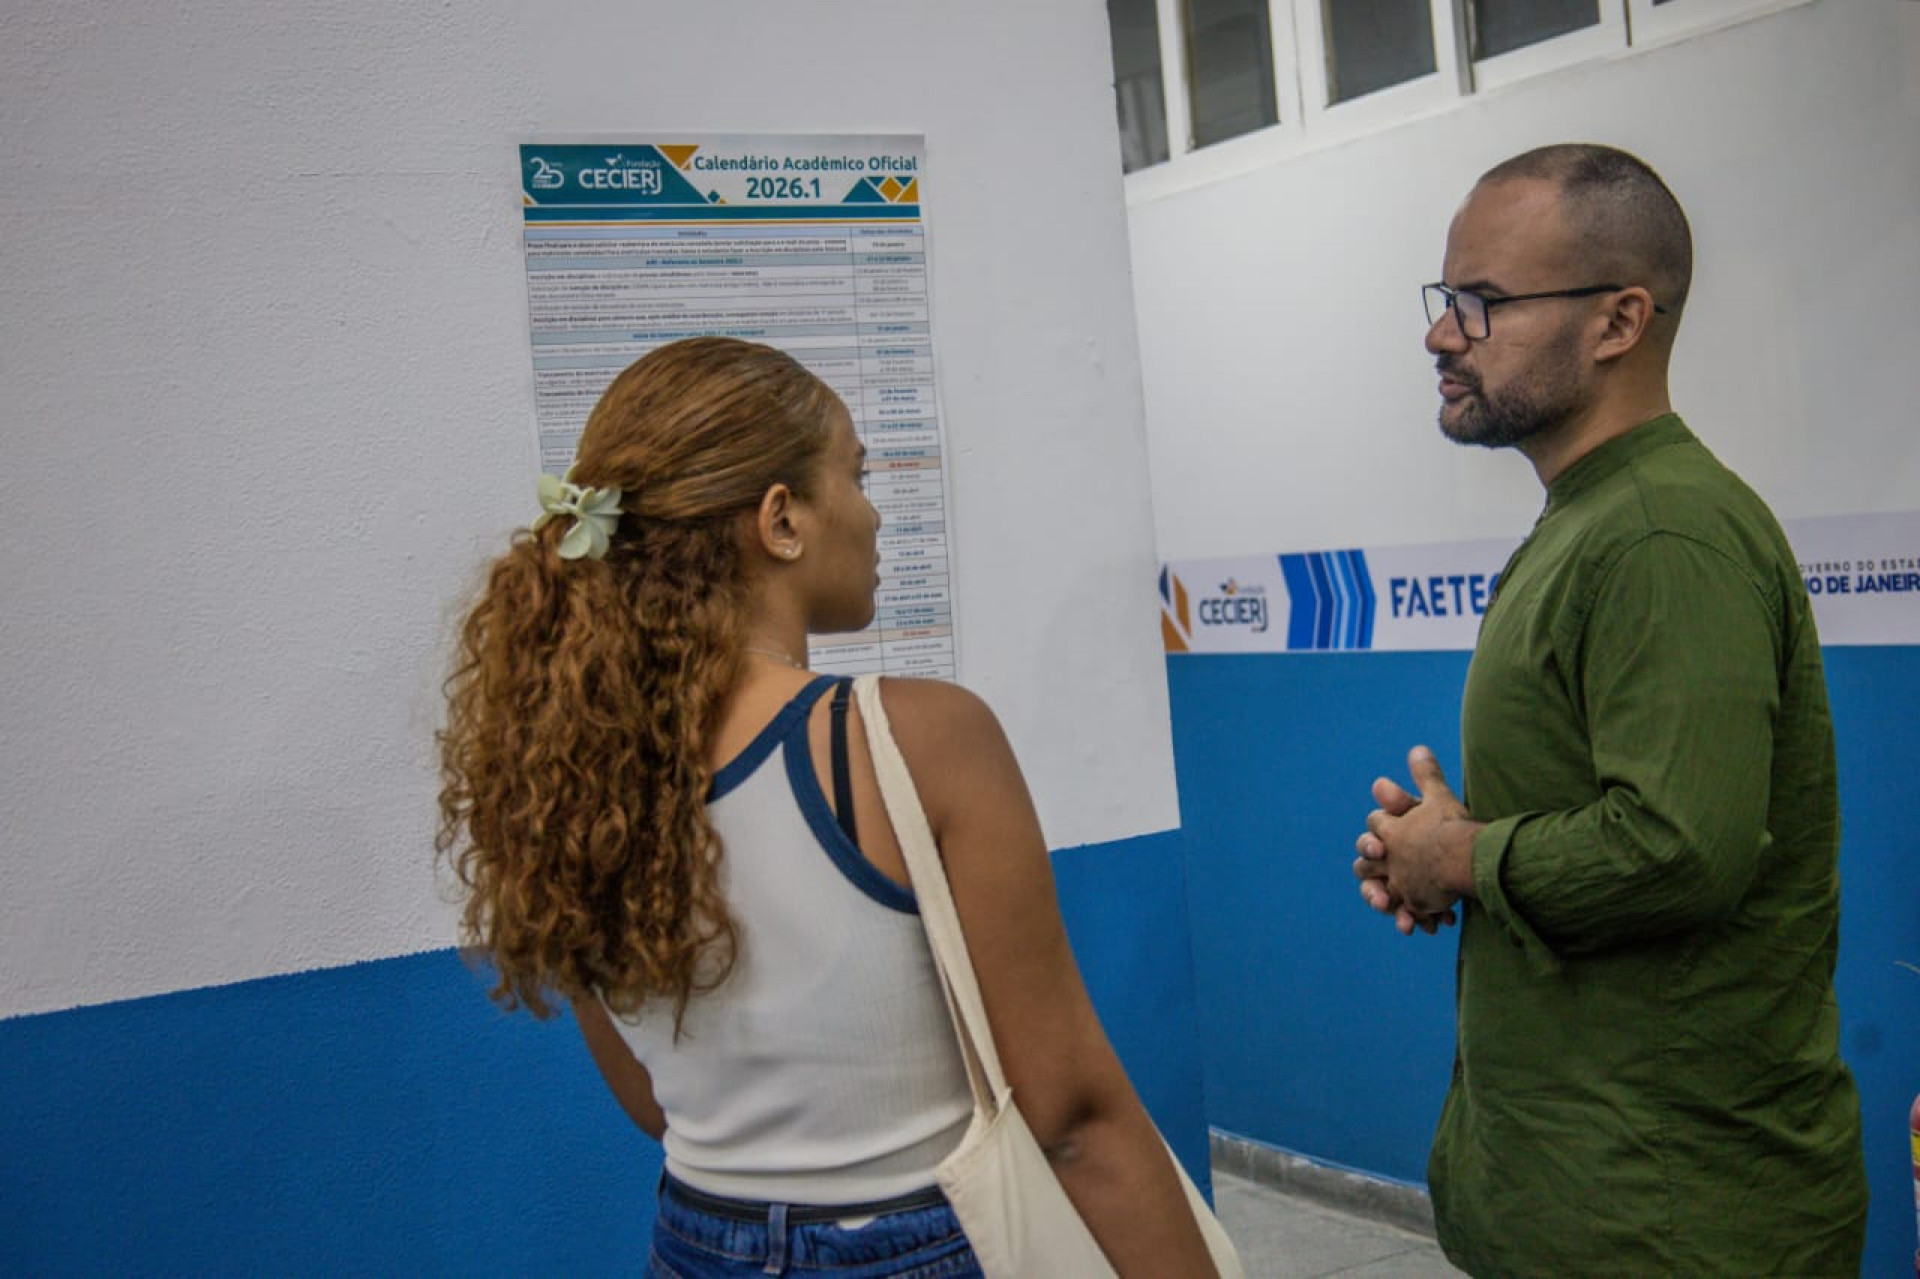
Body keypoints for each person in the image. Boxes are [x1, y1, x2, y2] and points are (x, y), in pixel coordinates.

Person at [437, 336, 1215, 1276]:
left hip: (692, 1241)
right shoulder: (914, 737)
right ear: (781, 520)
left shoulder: (572, 770)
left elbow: (655, 1103)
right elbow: (1073, 1120)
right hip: (912, 1245)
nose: (876, 514)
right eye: (856, 474)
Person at [1352, 145, 1867, 1275]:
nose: (1443, 335)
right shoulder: (1594, 519)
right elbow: (1617, 813)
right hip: (1586, 1195)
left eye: (1482, 303)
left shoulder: (1659, 534)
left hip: (1670, 1218)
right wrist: (1440, 847)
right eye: (1446, 301)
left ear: (1620, 321)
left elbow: (1680, 849)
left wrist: (1468, 857)